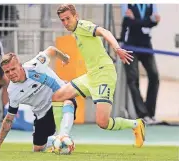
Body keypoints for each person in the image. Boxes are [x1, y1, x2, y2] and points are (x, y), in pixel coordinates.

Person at [51, 4, 145, 148]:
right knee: (57, 96)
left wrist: (117, 48)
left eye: (67, 19)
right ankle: (60, 137)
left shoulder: (82, 26)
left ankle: (136, 124)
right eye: (62, 20)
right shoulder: (75, 31)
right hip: (91, 76)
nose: (65, 23)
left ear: (76, 17)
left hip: (104, 75)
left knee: (103, 122)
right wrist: (66, 58)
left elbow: (103, 31)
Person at [0, 46, 77, 152]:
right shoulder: (13, 92)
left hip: (60, 97)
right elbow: (9, 119)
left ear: (20, 66)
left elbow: (52, 50)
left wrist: (65, 59)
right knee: (38, 149)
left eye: (13, 69)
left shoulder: (35, 65)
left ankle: (64, 136)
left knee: (68, 101)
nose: (11, 74)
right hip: (42, 113)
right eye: (7, 72)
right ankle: (57, 140)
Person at [120, 4, 160, 124]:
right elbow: (128, 21)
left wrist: (139, 21)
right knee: (133, 79)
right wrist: (147, 21)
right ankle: (142, 114)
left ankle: (150, 113)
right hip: (130, 45)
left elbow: (155, 21)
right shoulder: (126, 4)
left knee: (154, 76)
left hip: (146, 44)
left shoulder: (152, 4)